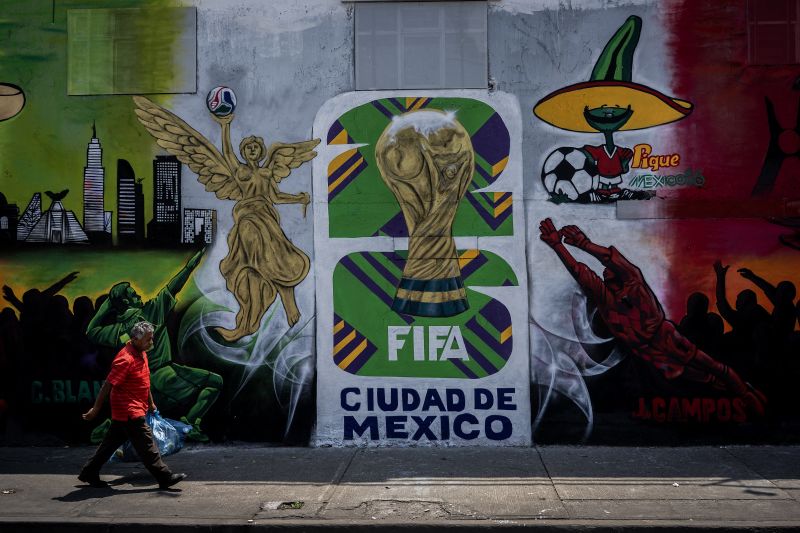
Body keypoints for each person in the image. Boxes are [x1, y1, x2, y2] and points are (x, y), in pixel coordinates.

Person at [539, 218, 766, 415]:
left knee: (711, 366)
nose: (603, 272)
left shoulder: (635, 288)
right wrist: (557, 245)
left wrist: (583, 244)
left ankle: (745, 393)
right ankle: (731, 390)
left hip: (666, 339)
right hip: (647, 351)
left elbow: (612, 260)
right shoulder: (607, 299)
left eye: (609, 271)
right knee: (694, 376)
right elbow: (580, 272)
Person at [86, 249, 222, 442]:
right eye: (133, 294)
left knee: (148, 410)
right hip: (163, 374)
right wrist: (190, 266)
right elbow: (173, 287)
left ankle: (112, 425)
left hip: (145, 380)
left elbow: (91, 331)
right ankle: (191, 424)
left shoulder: (118, 329)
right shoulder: (151, 312)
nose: (138, 295)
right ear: (126, 301)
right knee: (214, 382)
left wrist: (108, 304)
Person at [79, 321, 186, 489]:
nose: (152, 342)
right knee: (147, 445)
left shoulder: (141, 353)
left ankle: (89, 472)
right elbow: (108, 385)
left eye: (152, 338)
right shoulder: (125, 359)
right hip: (129, 410)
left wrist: (150, 403)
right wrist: (96, 409)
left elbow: (145, 381)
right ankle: (164, 476)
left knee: (109, 444)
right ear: (135, 339)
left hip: (132, 409)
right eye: (148, 339)